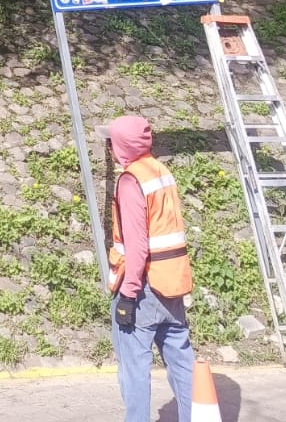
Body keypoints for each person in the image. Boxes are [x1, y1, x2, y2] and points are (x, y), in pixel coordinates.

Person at [108, 114, 195, 422]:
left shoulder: (131, 180)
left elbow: (137, 246)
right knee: (182, 364)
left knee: (134, 369)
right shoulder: (161, 171)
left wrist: (128, 295)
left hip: (142, 287)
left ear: (121, 145)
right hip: (171, 282)